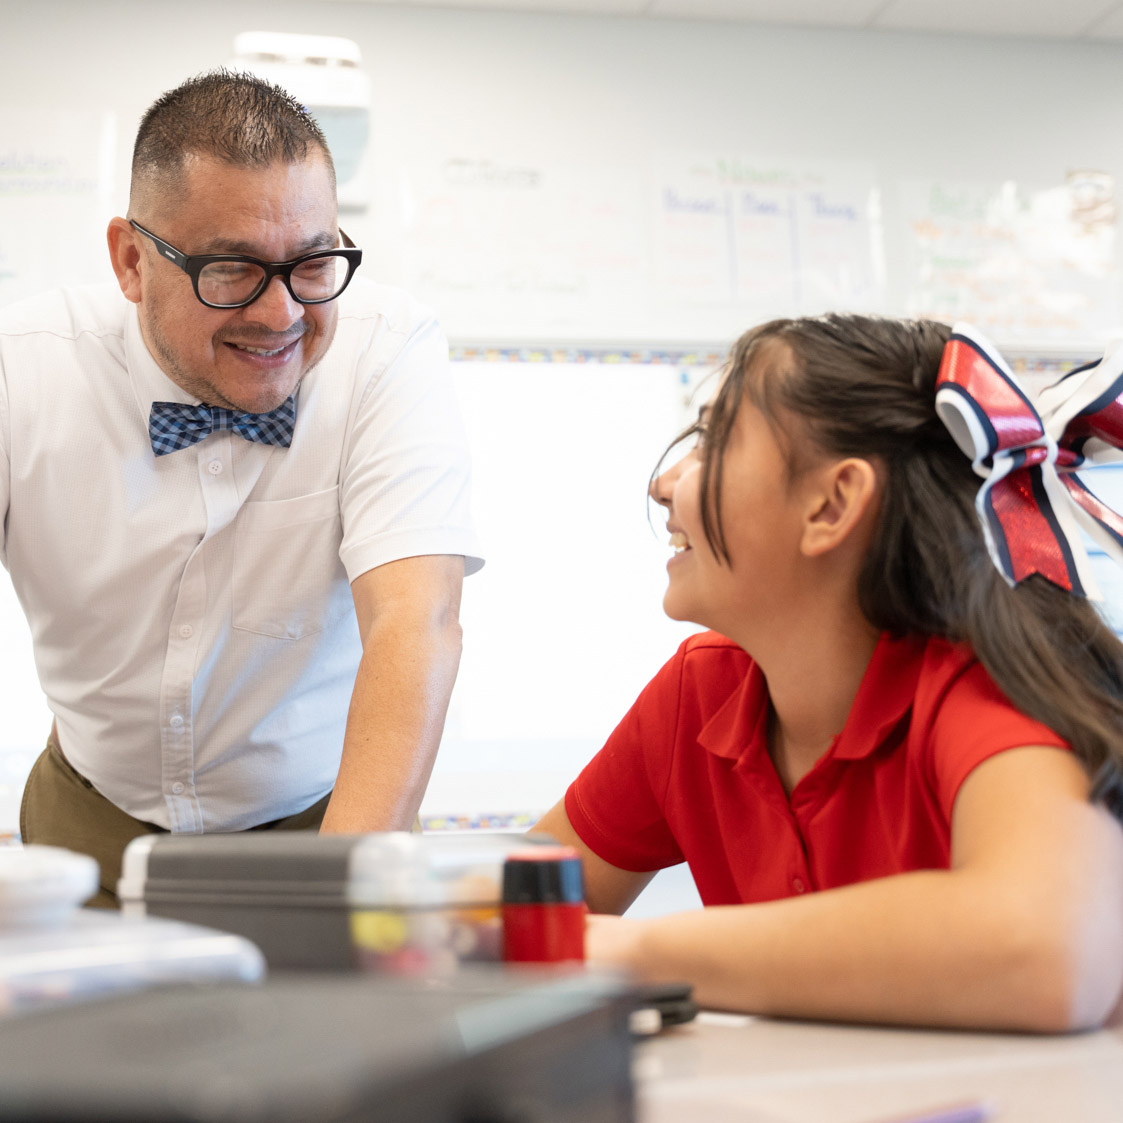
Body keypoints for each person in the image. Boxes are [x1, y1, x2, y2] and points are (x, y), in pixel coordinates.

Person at [535, 314, 1123, 1032]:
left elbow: (1047, 956)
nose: (664, 483)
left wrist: (623, 951)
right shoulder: (702, 691)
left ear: (832, 504)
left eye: (711, 441)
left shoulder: (985, 684)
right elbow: (524, 901)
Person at [1, 70, 483, 906]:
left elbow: (416, 621)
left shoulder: (388, 350)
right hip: (92, 815)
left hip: (319, 819)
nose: (281, 314)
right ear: (130, 260)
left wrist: (344, 901)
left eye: (311, 263)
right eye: (231, 270)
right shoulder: (24, 366)